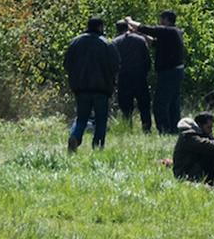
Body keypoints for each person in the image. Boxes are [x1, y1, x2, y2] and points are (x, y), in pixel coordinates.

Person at [63, 16, 120, 153]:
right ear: (100, 27)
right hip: (101, 89)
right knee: (101, 120)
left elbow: (66, 64)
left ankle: (75, 137)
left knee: (82, 117)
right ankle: (98, 147)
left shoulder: (75, 42)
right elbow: (116, 66)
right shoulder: (107, 44)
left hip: (81, 88)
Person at [137, 11, 186, 133]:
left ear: (166, 20)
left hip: (169, 72)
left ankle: (164, 129)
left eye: (161, 19)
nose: (160, 22)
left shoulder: (168, 31)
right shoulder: (174, 33)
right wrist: (141, 34)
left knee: (160, 103)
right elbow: (154, 43)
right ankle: (174, 129)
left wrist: (129, 21)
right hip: (176, 71)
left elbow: (147, 29)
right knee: (173, 103)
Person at [111, 18, 154, 133]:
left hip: (123, 78)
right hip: (140, 77)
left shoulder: (115, 42)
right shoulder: (140, 40)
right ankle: (147, 128)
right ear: (128, 27)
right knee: (144, 105)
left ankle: (127, 128)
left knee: (126, 107)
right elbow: (147, 59)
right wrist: (145, 72)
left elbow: (113, 63)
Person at [167, 112, 214, 183]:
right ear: (199, 125)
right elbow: (206, 145)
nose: (211, 130)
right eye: (208, 127)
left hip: (192, 170)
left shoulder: (198, 135)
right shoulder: (188, 136)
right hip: (185, 175)